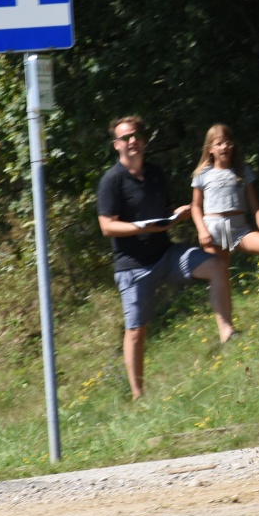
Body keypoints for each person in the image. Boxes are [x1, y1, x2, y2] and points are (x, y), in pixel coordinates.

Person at [97, 116, 234, 401]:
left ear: (143, 140)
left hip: (166, 255)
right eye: (125, 138)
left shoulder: (155, 173)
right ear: (116, 145)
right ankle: (138, 395)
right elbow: (107, 227)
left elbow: (164, 213)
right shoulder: (112, 181)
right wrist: (140, 228)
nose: (132, 141)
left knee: (217, 265)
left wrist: (178, 215)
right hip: (133, 267)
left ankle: (227, 333)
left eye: (136, 136)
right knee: (136, 330)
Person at [190, 123, 259, 303]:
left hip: (240, 229)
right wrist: (201, 230)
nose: (224, 147)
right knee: (220, 275)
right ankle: (226, 318)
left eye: (228, 143)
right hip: (213, 230)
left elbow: (255, 205)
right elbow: (195, 206)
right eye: (219, 143)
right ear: (210, 148)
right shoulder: (202, 174)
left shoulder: (242, 171)